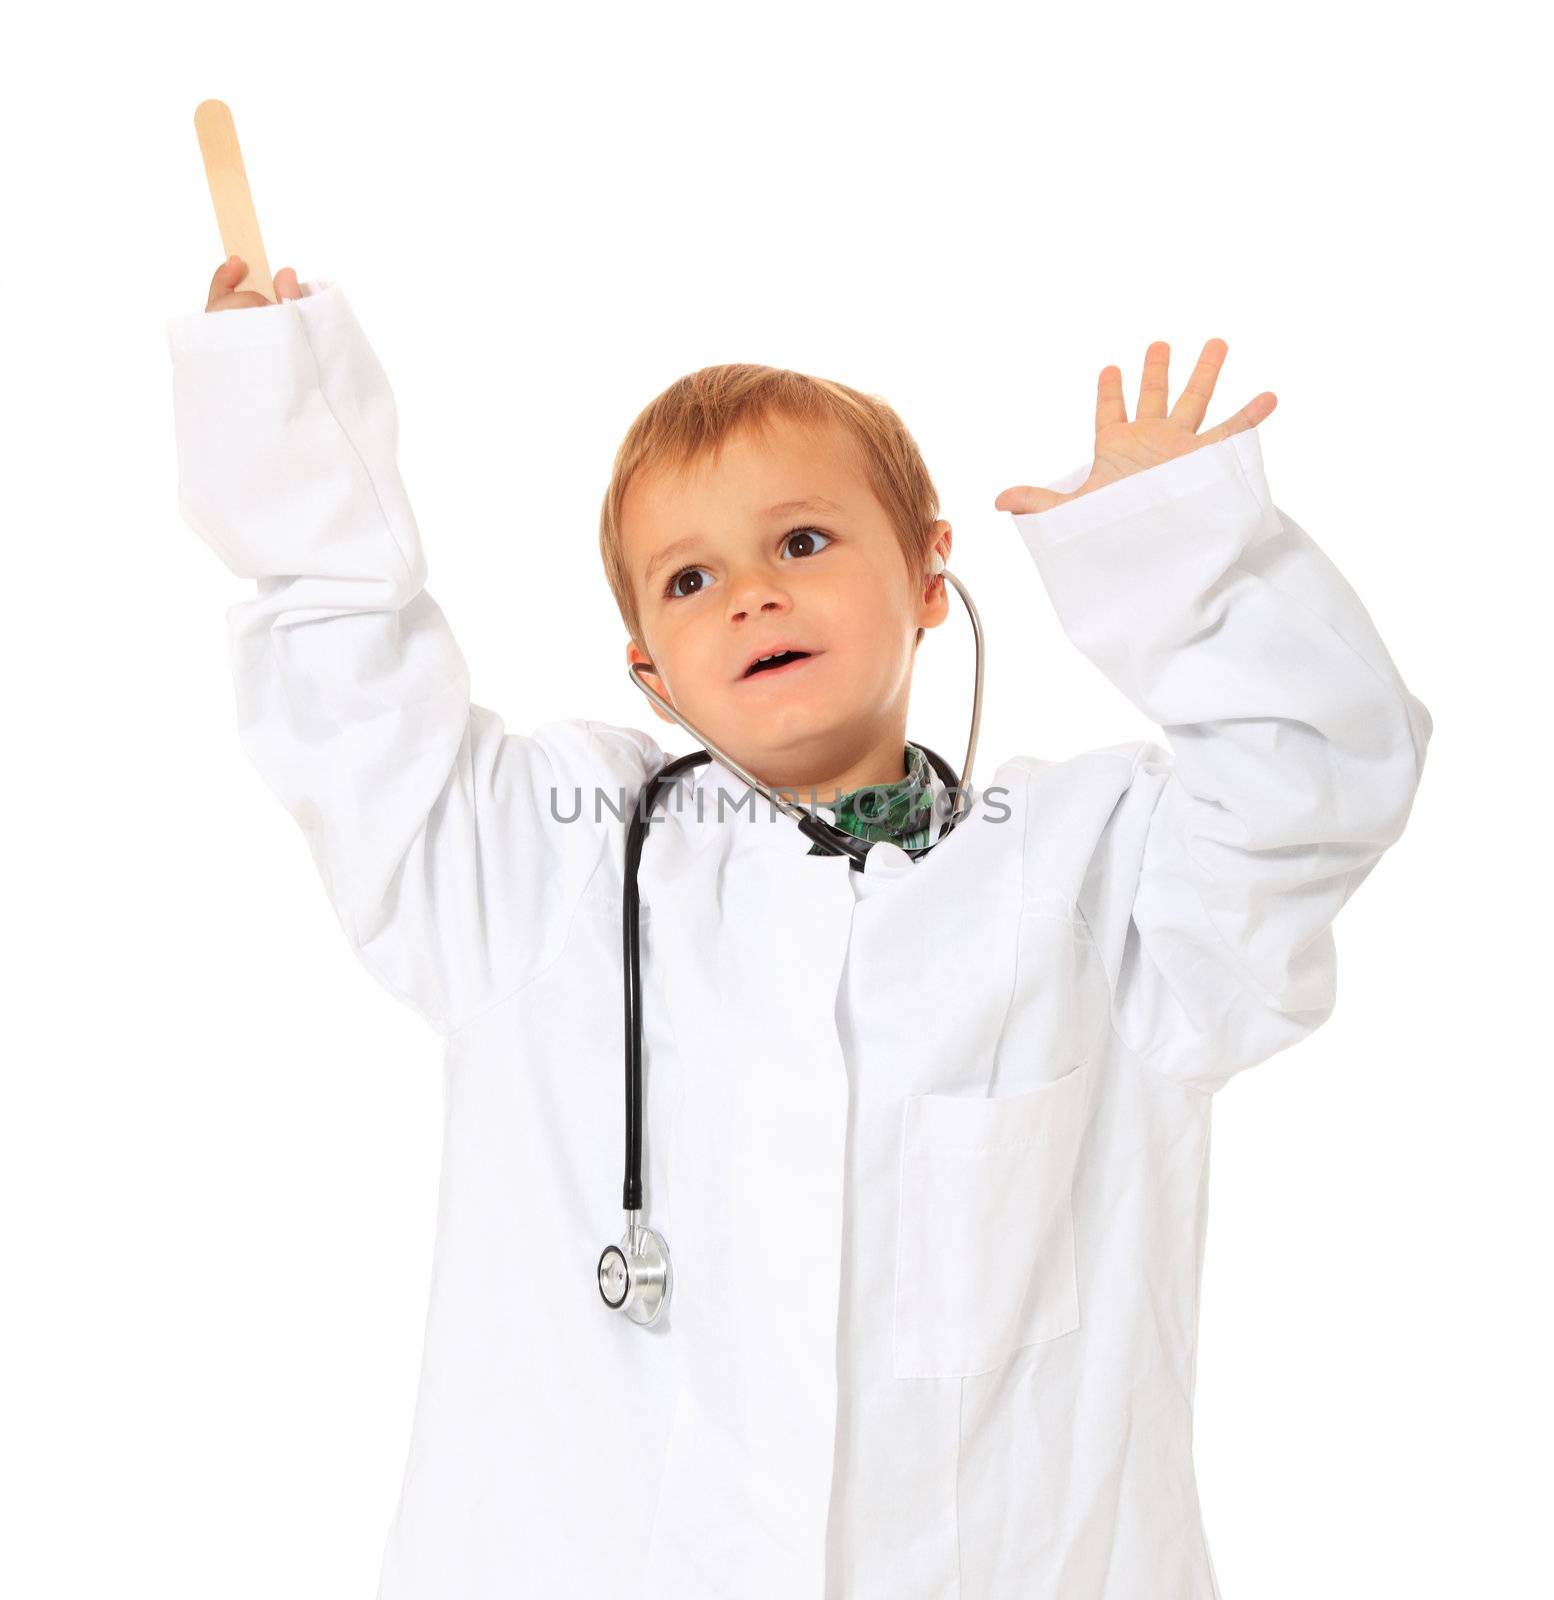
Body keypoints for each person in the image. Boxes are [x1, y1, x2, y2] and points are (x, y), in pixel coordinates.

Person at [165, 253, 1432, 1599]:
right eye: (690, 581)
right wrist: (277, 406)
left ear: (931, 575)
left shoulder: (1096, 877)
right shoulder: (544, 868)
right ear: (647, 673)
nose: (753, 595)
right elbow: (354, 702)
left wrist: (1177, 560)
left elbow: (1318, 780)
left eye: (803, 542)